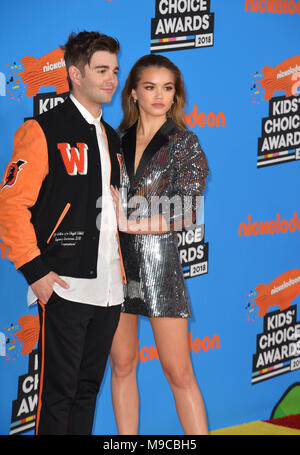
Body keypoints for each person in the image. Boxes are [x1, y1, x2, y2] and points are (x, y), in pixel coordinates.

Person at [0, 31, 126, 435]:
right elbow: (10, 203)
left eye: (115, 70)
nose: (112, 79)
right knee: (59, 395)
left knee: (88, 389)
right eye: (101, 70)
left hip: (110, 288)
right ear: (74, 73)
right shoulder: (42, 130)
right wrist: (35, 270)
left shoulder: (112, 136)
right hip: (65, 285)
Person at [109, 54, 209, 435]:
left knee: (178, 370)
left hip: (159, 264)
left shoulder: (183, 142)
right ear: (133, 92)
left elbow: (185, 212)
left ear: (176, 95)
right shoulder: (112, 139)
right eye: (150, 87)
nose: (159, 96)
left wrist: (129, 224)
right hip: (115, 265)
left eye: (168, 88)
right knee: (121, 365)